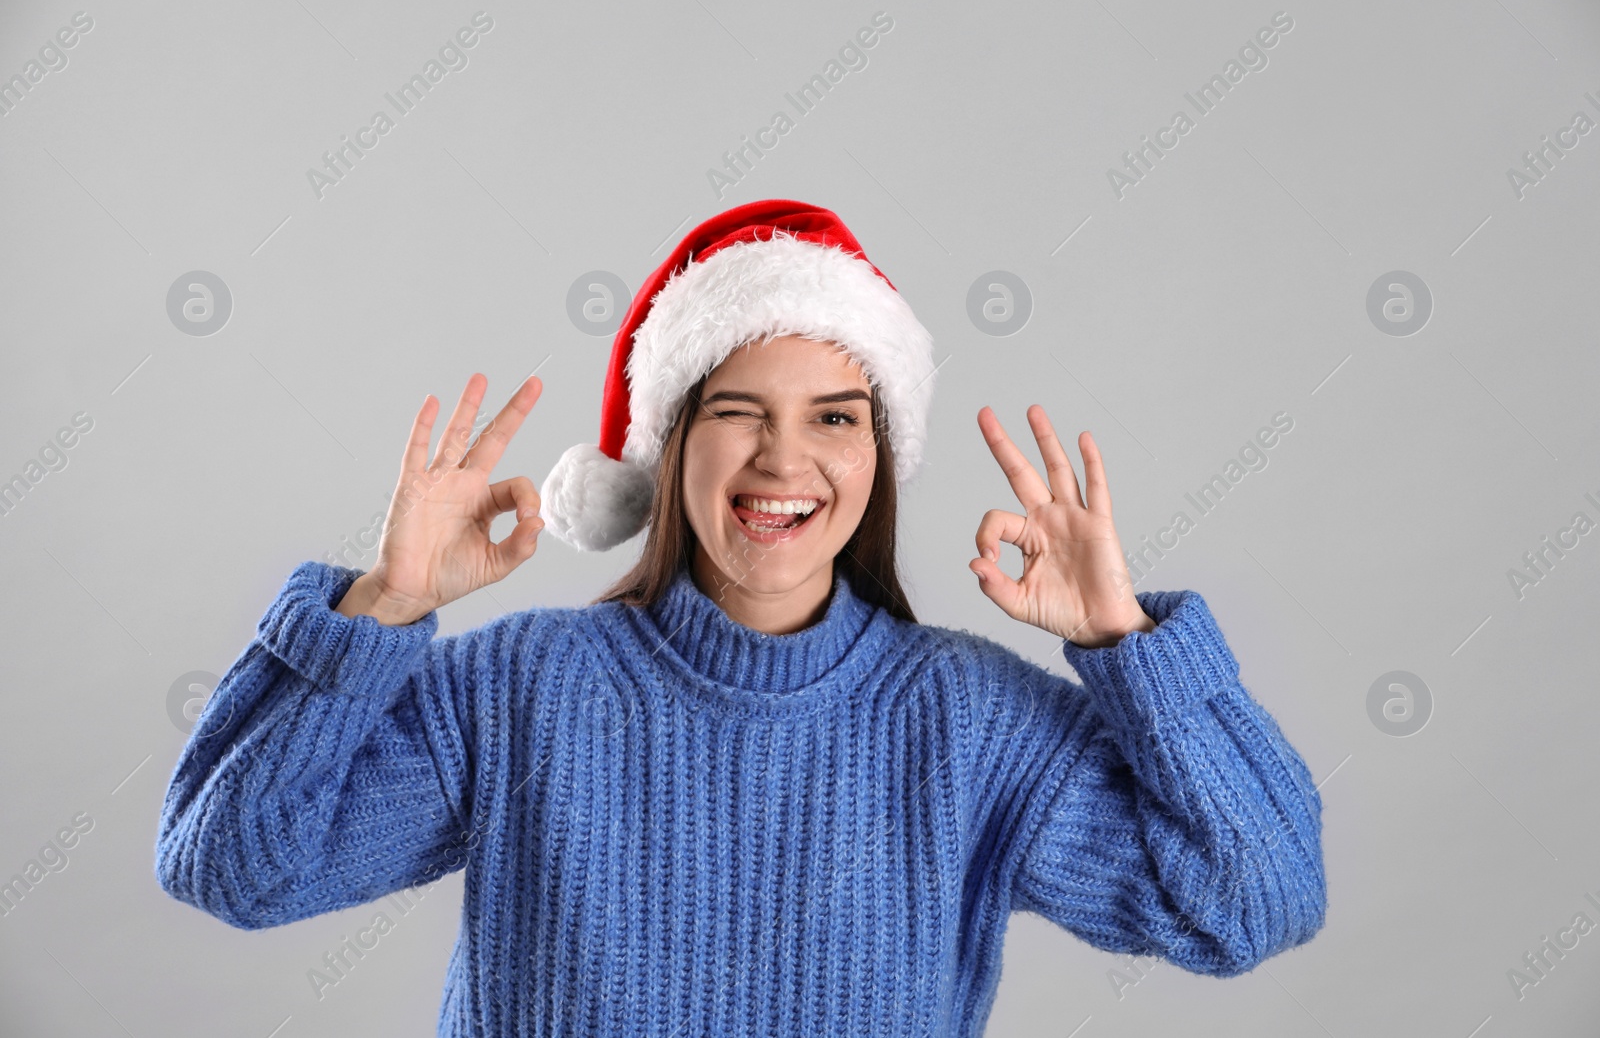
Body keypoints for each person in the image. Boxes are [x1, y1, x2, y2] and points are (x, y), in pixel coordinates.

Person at [155, 200, 1326, 1037]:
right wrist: (383, 607)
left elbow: (1253, 903)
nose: (784, 458)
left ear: (879, 455)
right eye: (736, 410)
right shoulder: (518, 691)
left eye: (834, 417)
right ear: (670, 448)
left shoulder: (970, 723)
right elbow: (232, 864)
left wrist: (1127, 646)